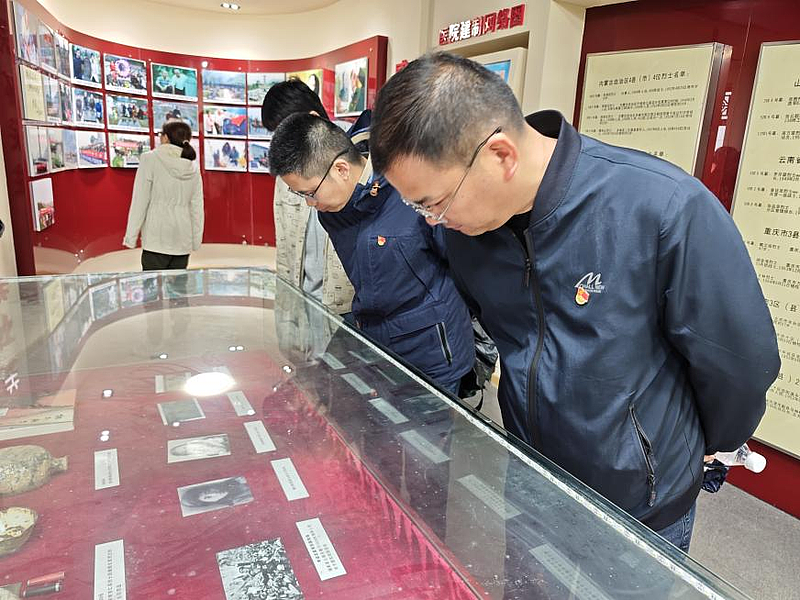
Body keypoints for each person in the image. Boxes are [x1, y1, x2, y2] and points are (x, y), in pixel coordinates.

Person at [369, 52, 781, 551]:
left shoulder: (661, 207)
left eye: (433, 202)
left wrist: (704, 446)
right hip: (533, 483)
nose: (432, 221)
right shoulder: (468, 234)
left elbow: (740, 361)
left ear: (501, 155)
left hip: (641, 506)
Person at [269, 113, 474, 394]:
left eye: (310, 192)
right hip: (376, 351)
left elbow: (465, 268)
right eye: (300, 194)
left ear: (341, 169)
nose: (309, 204)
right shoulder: (332, 211)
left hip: (433, 355)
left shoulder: (411, 189)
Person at [261, 80, 355, 365]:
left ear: (312, 120)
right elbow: (285, 248)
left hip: (345, 311)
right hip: (303, 302)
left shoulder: (352, 166)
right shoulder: (286, 174)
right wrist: (286, 318)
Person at [123, 120, 204, 271]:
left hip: (156, 238)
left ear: (165, 138)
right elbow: (197, 207)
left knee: (151, 285)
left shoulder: (149, 159)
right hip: (182, 238)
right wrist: (196, 240)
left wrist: (131, 237)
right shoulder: (192, 167)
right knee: (179, 285)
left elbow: (140, 201)